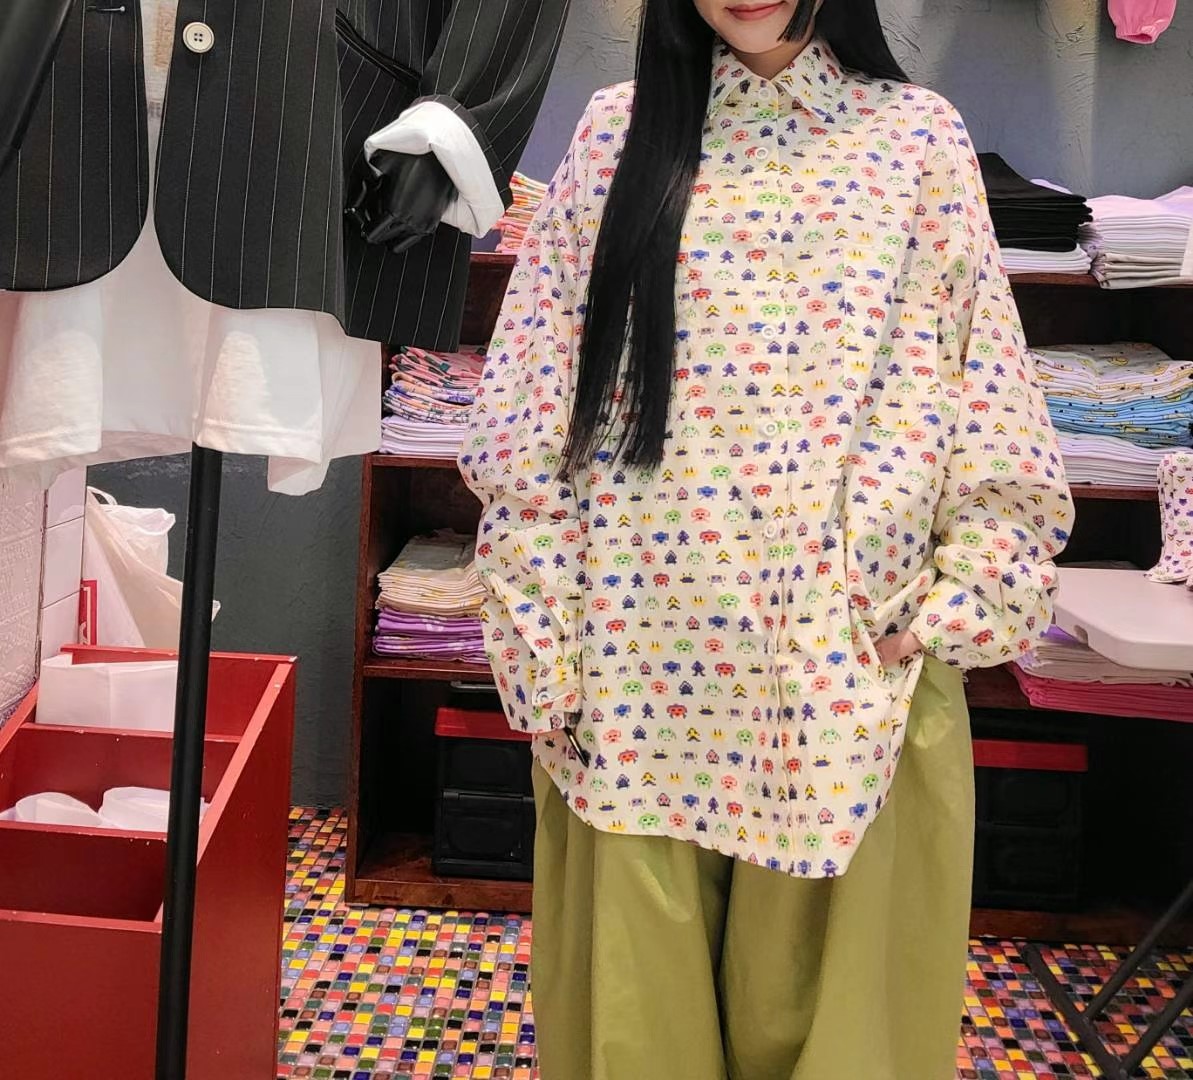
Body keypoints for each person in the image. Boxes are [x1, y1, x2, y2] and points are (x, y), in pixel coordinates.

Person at [459, 0, 1073, 1076]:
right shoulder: (615, 134)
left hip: (847, 684)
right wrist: (543, 635)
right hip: (636, 686)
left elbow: (988, 383)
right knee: (633, 1050)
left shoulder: (913, 139)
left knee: (846, 1054)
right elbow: (532, 405)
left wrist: (955, 601)